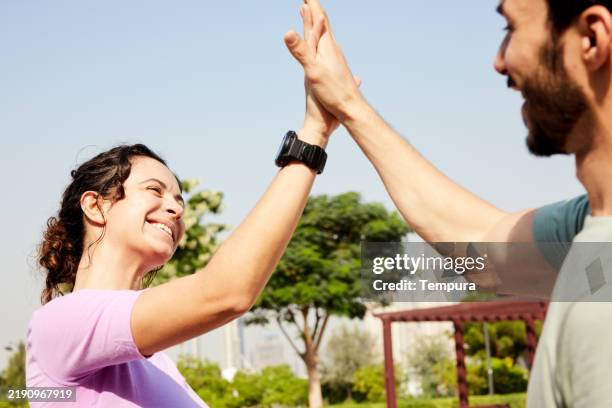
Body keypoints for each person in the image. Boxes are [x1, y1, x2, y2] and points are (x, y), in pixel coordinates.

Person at [285, 0, 612, 406]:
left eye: (509, 29)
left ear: (592, 38)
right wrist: (348, 104)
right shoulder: (588, 228)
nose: (498, 61)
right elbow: (484, 250)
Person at [24, 10, 360, 406]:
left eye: (180, 200)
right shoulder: (60, 324)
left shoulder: (158, 364)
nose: (175, 209)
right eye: (155, 190)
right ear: (96, 206)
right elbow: (225, 292)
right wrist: (314, 135)